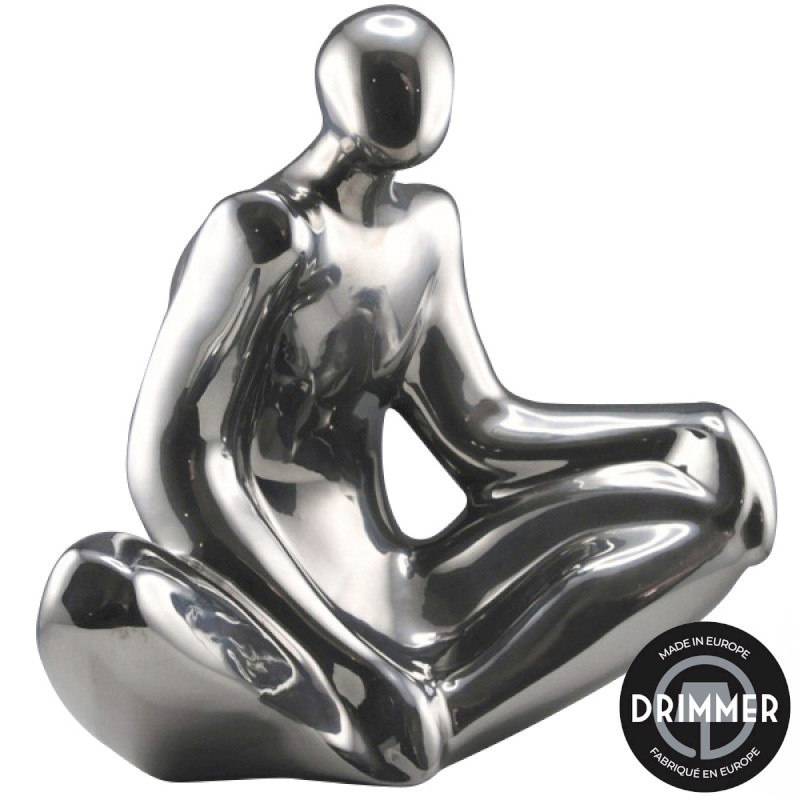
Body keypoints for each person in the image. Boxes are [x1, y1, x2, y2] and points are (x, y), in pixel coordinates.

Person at [38, 6, 776, 784]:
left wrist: (682, 442)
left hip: (396, 593)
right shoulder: (262, 233)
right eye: (389, 84)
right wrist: (339, 657)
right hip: (262, 609)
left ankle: (417, 720)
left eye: (428, 84)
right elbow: (180, 465)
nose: (411, 102)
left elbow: (482, 435)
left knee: (709, 519)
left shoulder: (427, 229)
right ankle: (375, 714)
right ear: (337, 93)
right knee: (94, 589)